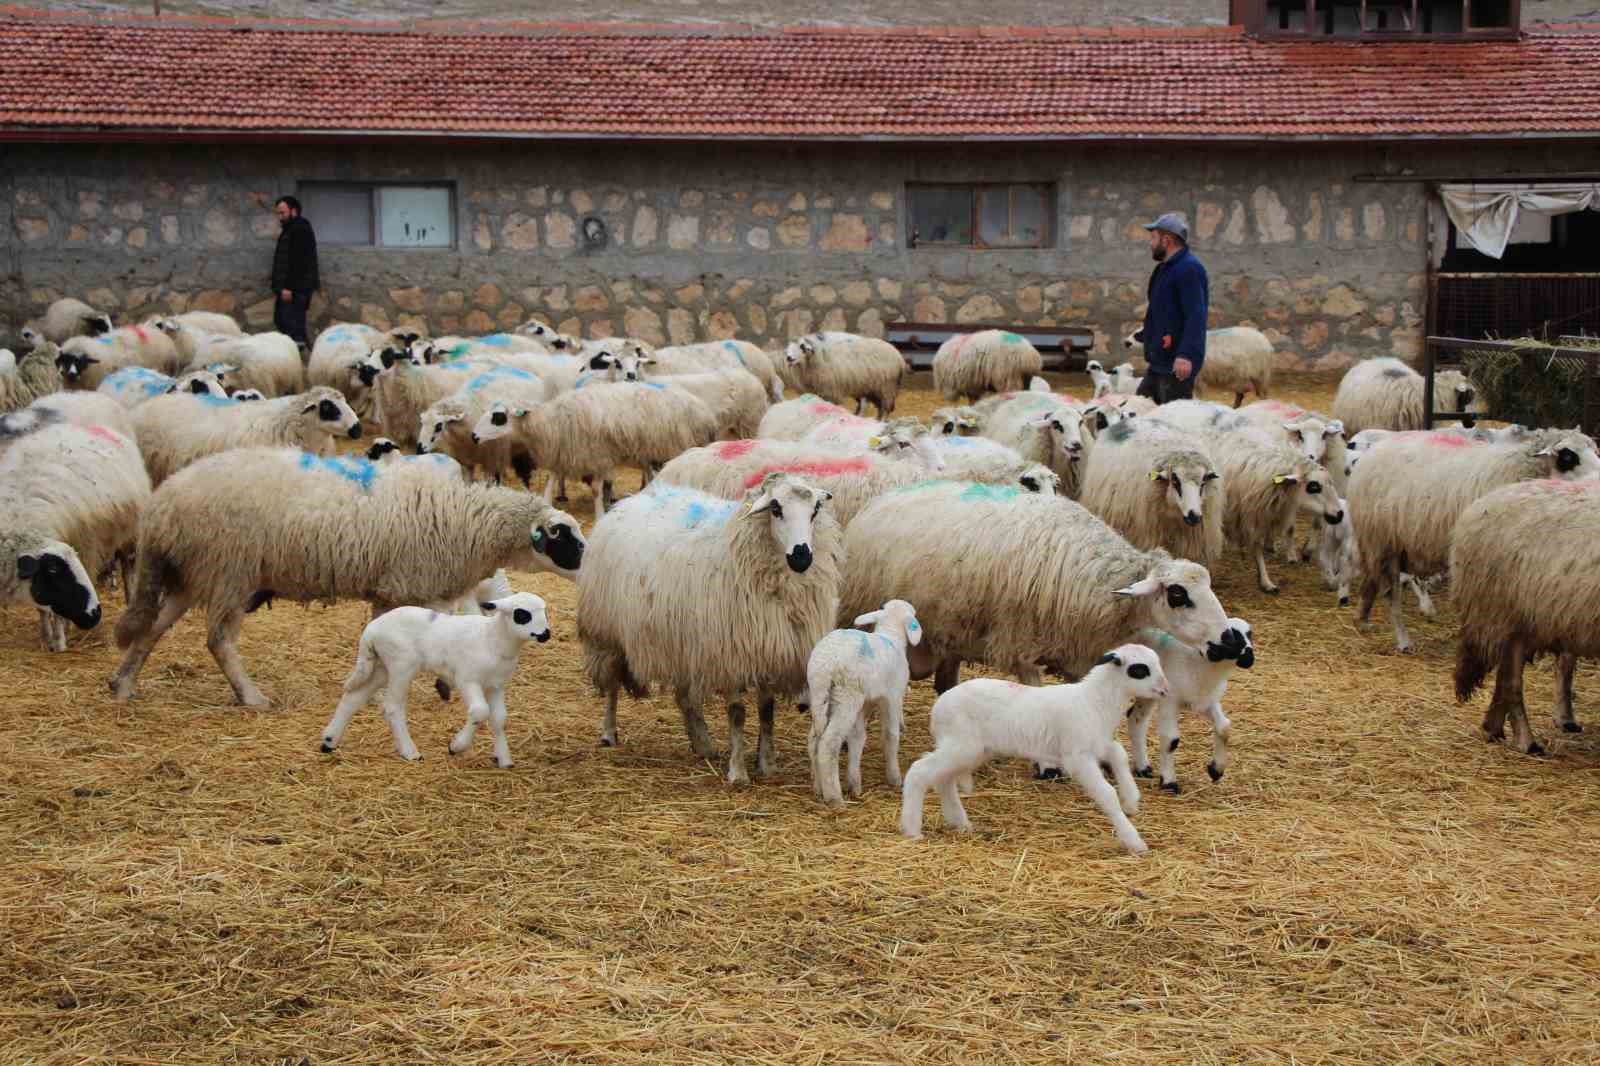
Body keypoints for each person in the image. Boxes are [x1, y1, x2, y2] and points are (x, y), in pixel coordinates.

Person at [1133, 211, 1209, 405]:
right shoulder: (1164, 270)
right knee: (1140, 410)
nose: (1150, 243)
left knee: (1173, 425)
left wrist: (1186, 355)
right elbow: (1161, 312)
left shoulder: (1189, 269)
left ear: (1166, 240)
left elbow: (1195, 315)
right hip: (1159, 361)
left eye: (1153, 238)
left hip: (1176, 365)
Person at [271, 195, 319, 353]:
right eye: (278, 213)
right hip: (290, 288)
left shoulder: (300, 229)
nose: (280, 217)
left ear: (294, 211)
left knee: (291, 325)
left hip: (295, 288)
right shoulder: (291, 228)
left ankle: (300, 358)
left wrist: (288, 287)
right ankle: (301, 353)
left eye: (282, 213)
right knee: (285, 322)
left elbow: (299, 262)